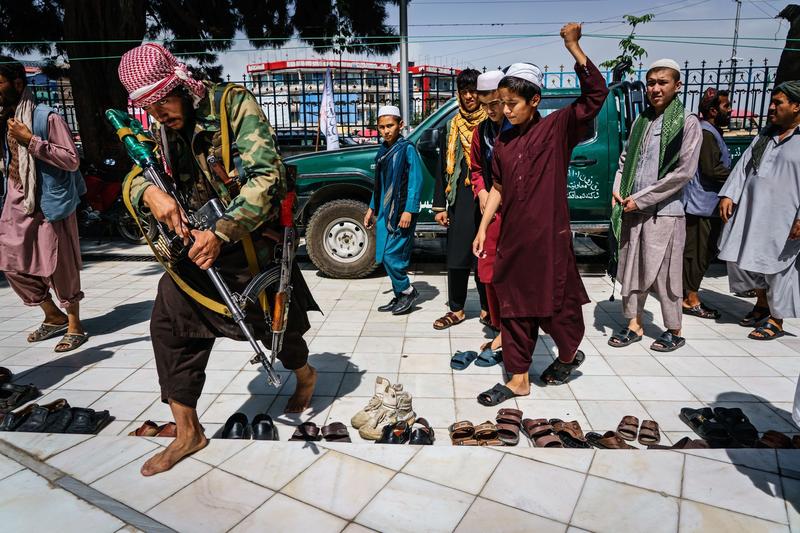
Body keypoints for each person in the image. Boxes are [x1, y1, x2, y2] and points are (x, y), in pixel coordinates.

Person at [117, 43, 319, 476]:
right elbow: (138, 171)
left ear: (179, 86)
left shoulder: (232, 105)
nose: (158, 115)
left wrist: (222, 230)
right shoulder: (166, 127)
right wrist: (147, 193)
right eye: (148, 108)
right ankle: (188, 429)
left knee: (277, 332)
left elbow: (268, 176)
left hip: (248, 242)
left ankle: (304, 375)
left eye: (162, 102)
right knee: (169, 323)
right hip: (196, 246)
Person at [472, 22, 608, 405]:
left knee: (558, 310)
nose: (507, 111)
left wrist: (574, 47)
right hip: (514, 239)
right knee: (513, 308)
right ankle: (518, 379)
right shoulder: (503, 141)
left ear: (534, 100)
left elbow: (596, 95)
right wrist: (483, 228)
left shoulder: (558, 128)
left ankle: (567, 355)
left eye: (512, 104)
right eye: (503, 104)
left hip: (549, 240)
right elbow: (497, 187)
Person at [608, 59, 703, 352]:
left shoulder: (687, 122)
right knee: (631, 268)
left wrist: (642, 198)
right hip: (631, 209)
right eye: (651, 83)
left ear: (677, 86)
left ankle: (673, 329)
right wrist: (617, 190)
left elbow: (683, 173)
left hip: (665, 213)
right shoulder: (642, 121)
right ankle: (634, 325)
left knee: (665, 274)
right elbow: (625, 161)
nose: (655, 88)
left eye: (662, 82)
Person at [0, 56, 88, 353]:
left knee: (59, 262)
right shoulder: (5, 118)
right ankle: (53, 316)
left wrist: (31, 141)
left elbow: (71, 160)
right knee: (11, 262)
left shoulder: (45, 117)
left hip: (50, 198)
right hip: (17, 196)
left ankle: (75, 324)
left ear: (17, 83)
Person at [717, 80, 800, 340]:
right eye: (772, 102)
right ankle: (762, 304)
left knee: (779, 267)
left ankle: (777, 319)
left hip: (785, 216)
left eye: (779, 103)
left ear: (797, 106)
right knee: (749, 258)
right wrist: (729, 194)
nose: (772, 108)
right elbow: (743, 167)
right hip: (754, 211)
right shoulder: (765, 136)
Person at [432, 68, 490, 331]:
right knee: (457, 256)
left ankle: (488, 308)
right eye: (464, 91)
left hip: (488, 197)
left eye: (473, 91)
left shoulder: (491, 123)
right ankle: (456, 309)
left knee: (485, 255)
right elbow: (441, 167)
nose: (469, 96)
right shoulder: (451, 125)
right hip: (459, 198)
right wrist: (440, 205)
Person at [363, 105, 423, 315]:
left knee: (391, 256)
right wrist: (371, 208)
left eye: (390, 125)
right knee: (384, 255)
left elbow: (416, 181)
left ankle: (407, 291)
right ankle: (399, 295)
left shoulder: (407, 148)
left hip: (401, 213)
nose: (386, 130)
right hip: (384, 212)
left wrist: (409, 210)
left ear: (400, 125)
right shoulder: (382, 151)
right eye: (382, 127)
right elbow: (380, 184)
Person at [469, 69, 509, 363]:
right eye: (485, 105)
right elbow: (476, 170)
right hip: (492, 214)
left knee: (513, 275)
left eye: (495, 103)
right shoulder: (480, 131)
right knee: (488, 272)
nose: (491, 110)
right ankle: (498, 325)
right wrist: (481, 193)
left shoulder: (519, 127)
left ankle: (510, 331)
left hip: (519, 213)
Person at [682, 88, 732, 319]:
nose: (730, 110)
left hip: (704, 205)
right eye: (726, 106)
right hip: (701, 206)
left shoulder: (711, 132)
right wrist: (738, 178)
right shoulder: (707, 134)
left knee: (699, 252)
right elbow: (711, 170)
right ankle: (690, 299)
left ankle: (687, 295)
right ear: (713, 110)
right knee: (698, 254)